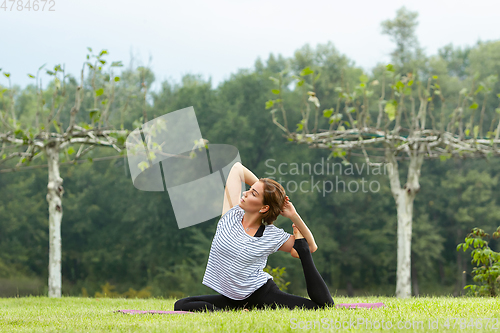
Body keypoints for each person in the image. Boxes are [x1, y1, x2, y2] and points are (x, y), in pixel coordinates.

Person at [174, 162, 334, 311]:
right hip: (233, 298)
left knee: (322, 306)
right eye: (250, 190)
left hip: (262, 294)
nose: (245, 193)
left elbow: (311, 247)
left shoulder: (271, 235)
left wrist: (294, 216)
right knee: (181, 305)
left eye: (253, 193)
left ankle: (239, 311)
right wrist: (267, 193)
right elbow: (237, 168)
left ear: (264, 207)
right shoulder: (231, 214)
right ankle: (237, 312)